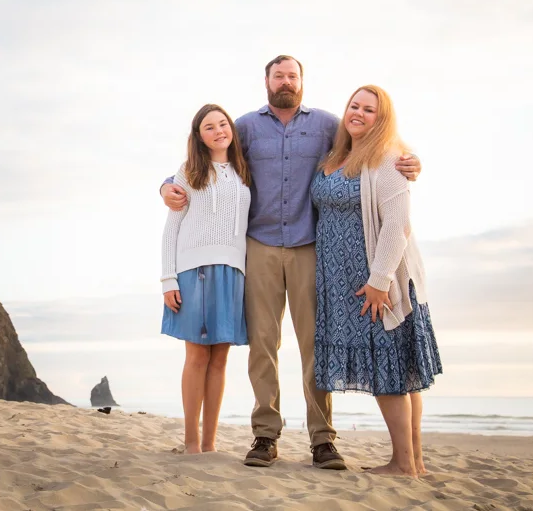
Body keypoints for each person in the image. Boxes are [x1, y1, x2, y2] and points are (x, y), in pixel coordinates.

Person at [161, 55, 421, 469]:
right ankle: (265, 435)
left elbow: (371, 145)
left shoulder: (326, 125)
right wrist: (166, 186)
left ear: (302, 82)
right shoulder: (244, 126)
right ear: (266, 81)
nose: (286, 81)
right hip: (258, 247)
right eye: (278, 75)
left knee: (314, 343)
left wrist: (410, 161)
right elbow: (206, 157)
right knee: (263, 344)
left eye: (292, 75)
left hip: (308, 246)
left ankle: (323, 440)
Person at [311, 85, 442, 477]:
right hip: (343, 282)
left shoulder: (388, 157)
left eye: (370, 110)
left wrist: (380, 280)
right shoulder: (337, 155)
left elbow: (398, 226)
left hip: (377, 282)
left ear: (381, 118)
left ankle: (405, 462)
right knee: (399, 370)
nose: (359, 113)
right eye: (354, 106)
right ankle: (410, 461)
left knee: (391, 368)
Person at [161, 103, 252, 454]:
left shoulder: (244, 171)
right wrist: (168, 279)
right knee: (197, 357)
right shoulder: (188, 172)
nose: (218, 131)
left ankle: (210, 442)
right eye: (209, 127)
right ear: (199, 136)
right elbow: (172, 228)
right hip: (192, 270)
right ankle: (191, 442)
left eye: (223, 124)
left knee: (220, 359)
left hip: (233, 271)